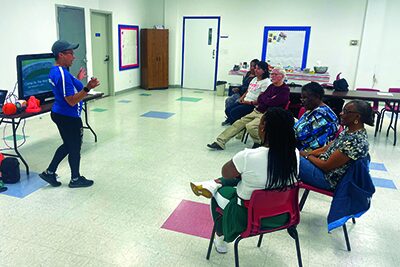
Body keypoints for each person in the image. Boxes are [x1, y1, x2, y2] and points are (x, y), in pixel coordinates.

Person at [191, 108, 299, 253]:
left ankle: (220, 239)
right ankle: (213, 184)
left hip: (248, 218)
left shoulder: (248, 156)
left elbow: (226, 172)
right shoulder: (295, 153)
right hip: (282, 215)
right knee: (245, 178)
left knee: (220, 193)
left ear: (262, 128)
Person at [39, 40, 100, 188]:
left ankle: (50, 172)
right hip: (68, 116)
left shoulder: (59, 70)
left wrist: (78, 79)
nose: (73, 56)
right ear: (61, 55)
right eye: (70, 53)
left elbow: (67, 89)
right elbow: (71, 101)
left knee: (68, 145)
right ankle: (75, 179)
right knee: (74, 147)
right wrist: (87, 88)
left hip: (62, 114)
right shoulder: (62, 74)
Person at [207, 67, 289, 150]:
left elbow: (273, 103)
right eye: (272, 74)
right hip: (257, 110)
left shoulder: (285, 90)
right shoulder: (271, 86)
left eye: (275, 74)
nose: (272, 76)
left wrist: (266, 99)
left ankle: (260, 143)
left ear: (282, 76)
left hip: (268, 114)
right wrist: (267, 99)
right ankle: (220, 142)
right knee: (238, 123)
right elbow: (261, 98)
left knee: (251, 126)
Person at [299, 100, 374, 190]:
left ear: (357, 116)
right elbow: (326, 148)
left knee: (288, 157)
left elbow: (326, 166)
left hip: (327, 179)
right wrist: (308, 154)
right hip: (321, 167)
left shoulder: (355, 140)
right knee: (291, 155)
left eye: (345, 112)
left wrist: (307, 156)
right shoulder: (349, 131)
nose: (341, 113)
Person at [222, 61, 271, 126]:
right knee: (228, 110)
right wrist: (241, 98)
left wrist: (246, 102)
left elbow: (260, 100)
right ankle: (234, 123)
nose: (255, 70)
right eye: (255, 68)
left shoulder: (266, 82)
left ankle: (238, 125)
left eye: (258, 69)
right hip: (245, 101)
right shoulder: (254, 79)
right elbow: (248, 90)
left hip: (252, 105)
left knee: (233, 112)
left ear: (264, 71)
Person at [294, 82, 338, 151]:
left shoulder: (322, 115)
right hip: (304, 150)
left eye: (305, 98)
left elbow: (300, 136)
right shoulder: (312, 109)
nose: (302, 101)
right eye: (302, 98)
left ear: (317, 96)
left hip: (312, 155)